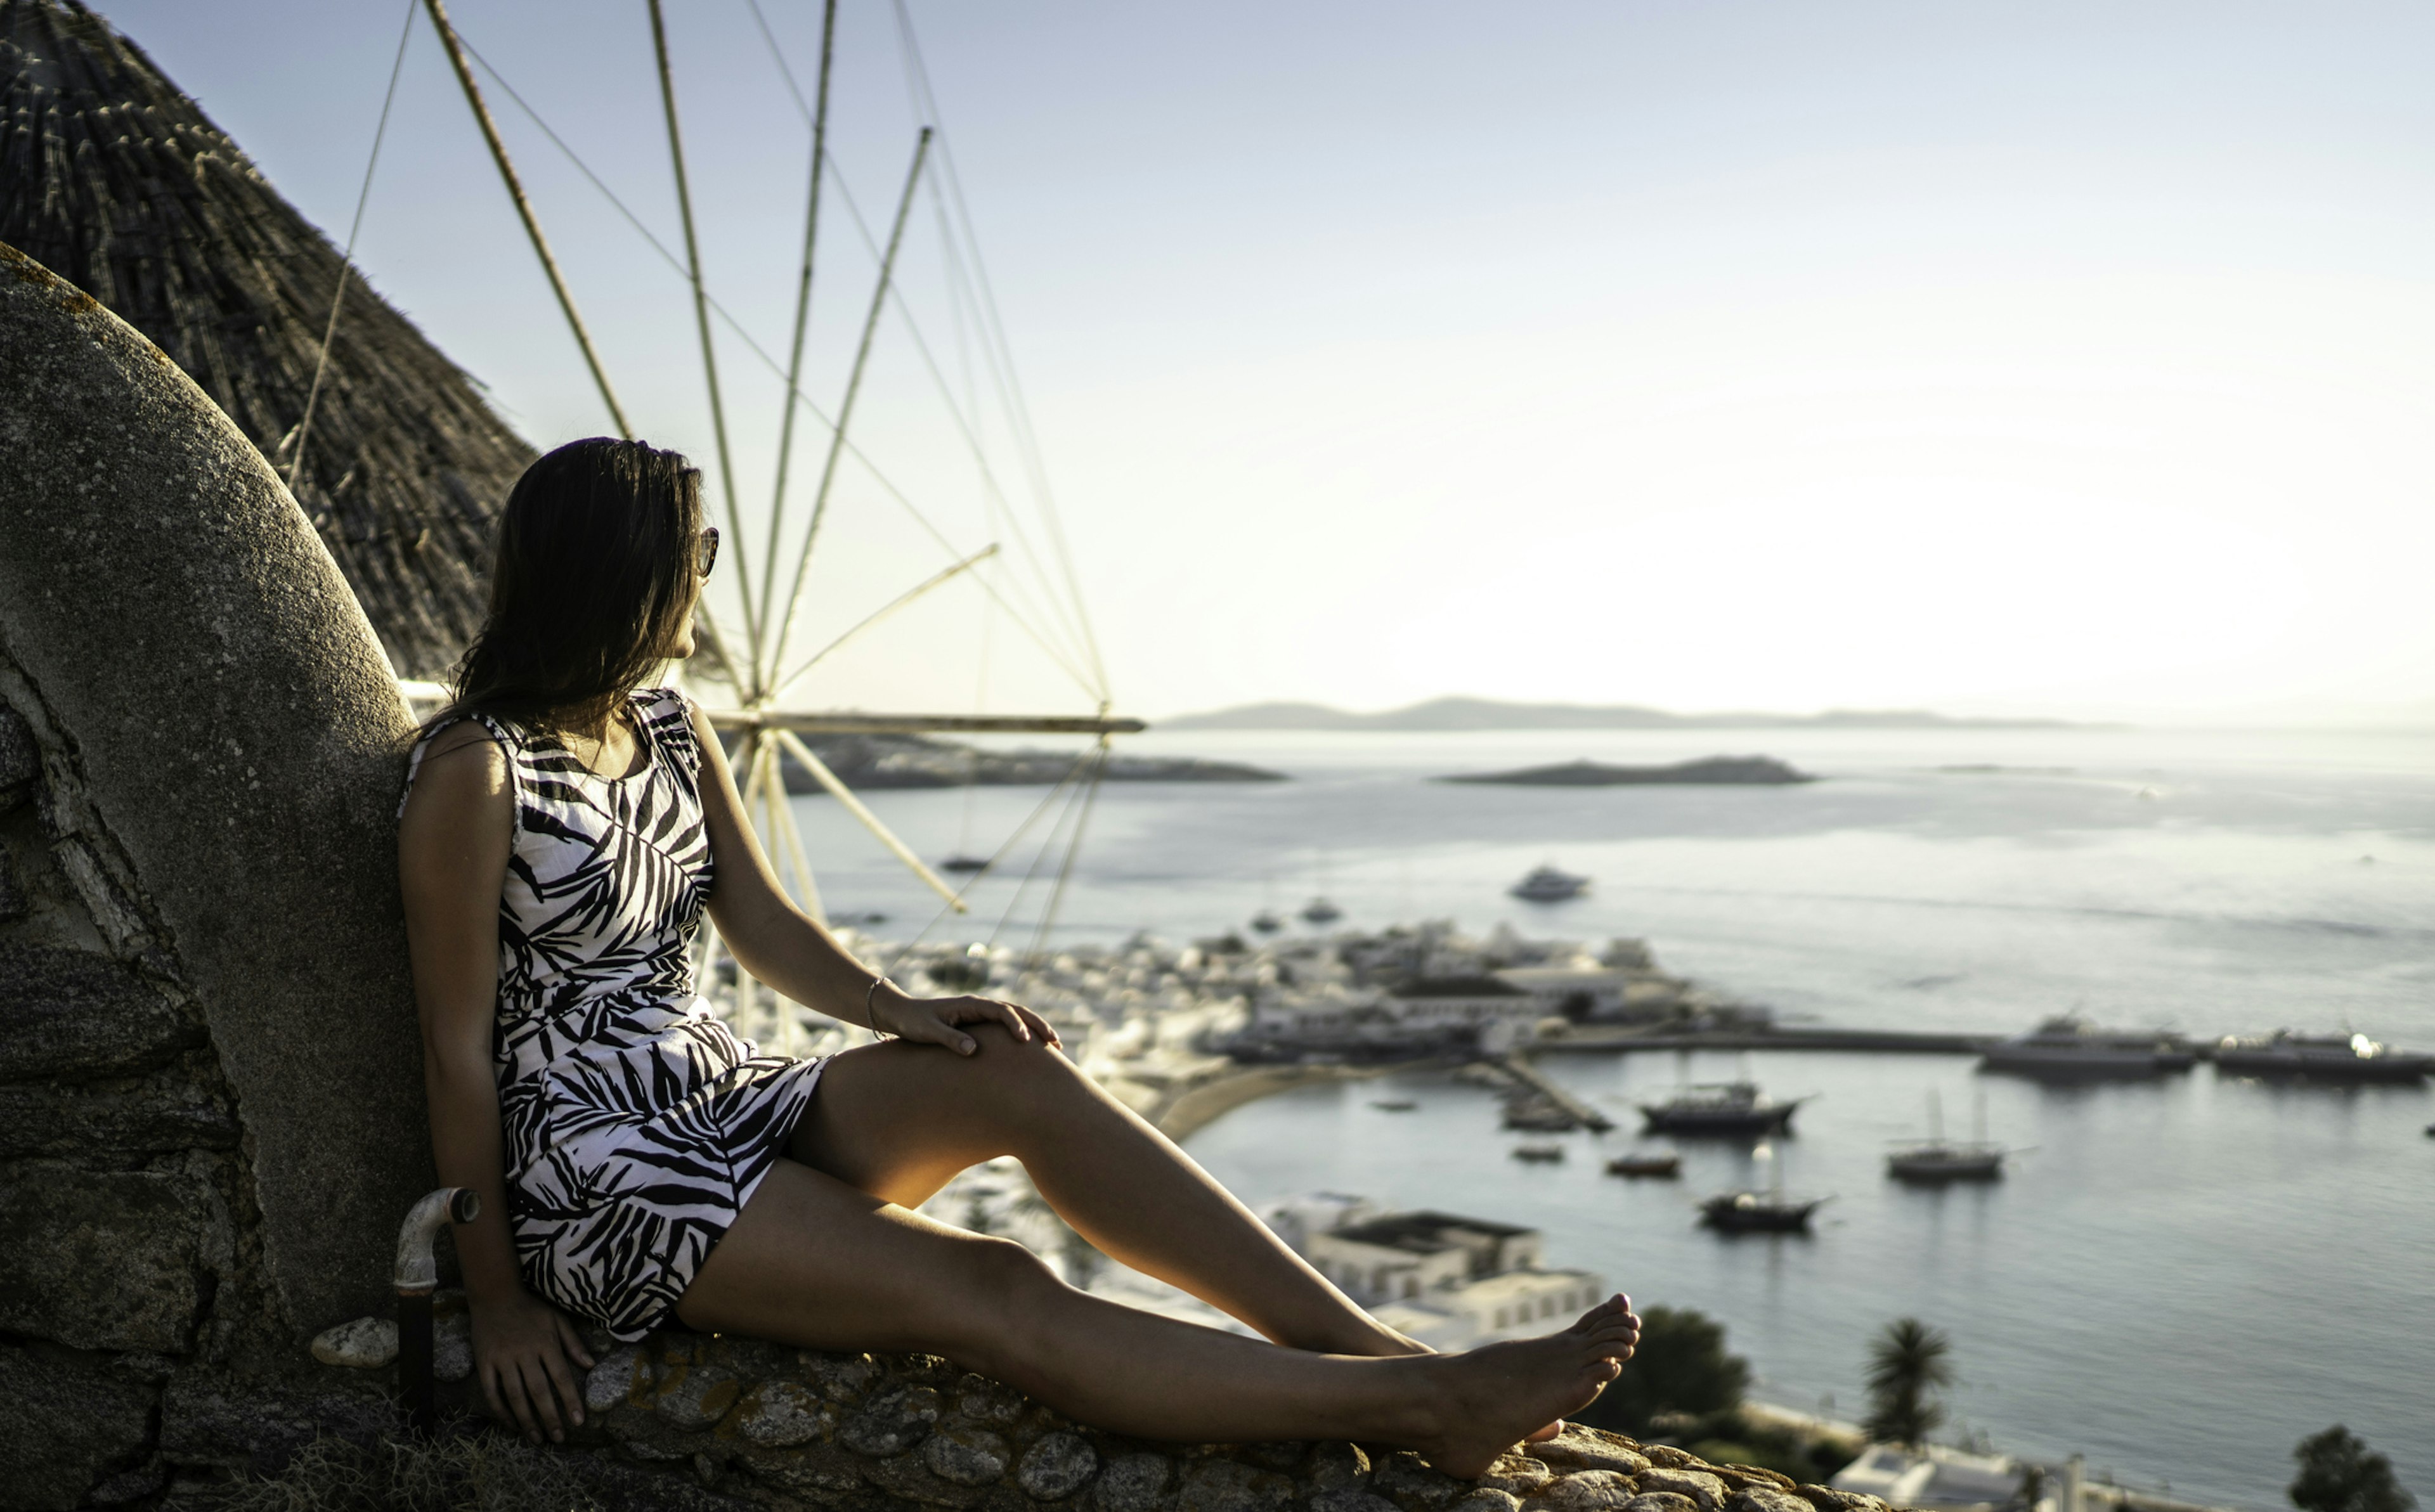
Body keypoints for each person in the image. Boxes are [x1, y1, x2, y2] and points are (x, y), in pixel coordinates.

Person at [399, 439, 1639, 1474]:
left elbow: (763, 922)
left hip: (716, 1091)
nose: (708, 579)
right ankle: (1422, 1415)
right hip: (593, 1167)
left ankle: (1390, 1357)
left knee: (1006, 1067)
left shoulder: (668, 723)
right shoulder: (477, 773)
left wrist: (905, 1009)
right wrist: (499, 1300)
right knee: (993, 1285)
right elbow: (457, 1054)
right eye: (699, 555)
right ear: (628, 572)